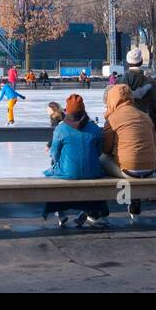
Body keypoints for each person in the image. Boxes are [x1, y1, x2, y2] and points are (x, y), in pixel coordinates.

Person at [44, 94, 106, 228]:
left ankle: (59, 211)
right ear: (83, 110)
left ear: (68, 110)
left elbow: (54, 152)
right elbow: (100, 150)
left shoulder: (61, 128)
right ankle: (90, 211)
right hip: (93, 171)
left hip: (68, 172)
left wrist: (56, 164)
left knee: (52, 172)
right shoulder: (94, 128)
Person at [100, 82, 156, 221]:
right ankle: (133, 199)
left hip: (129, 171)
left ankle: (99, 207)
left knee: (101, 159)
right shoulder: (144, 116)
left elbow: (106, 149)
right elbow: (154, 144)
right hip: (150, 170)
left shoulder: (112, 119)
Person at [122, 48, 156, 142]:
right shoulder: (150, 82)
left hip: (124, 122)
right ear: (141, 61)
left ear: (127, 62)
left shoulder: (119, 82)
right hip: (146, 122)